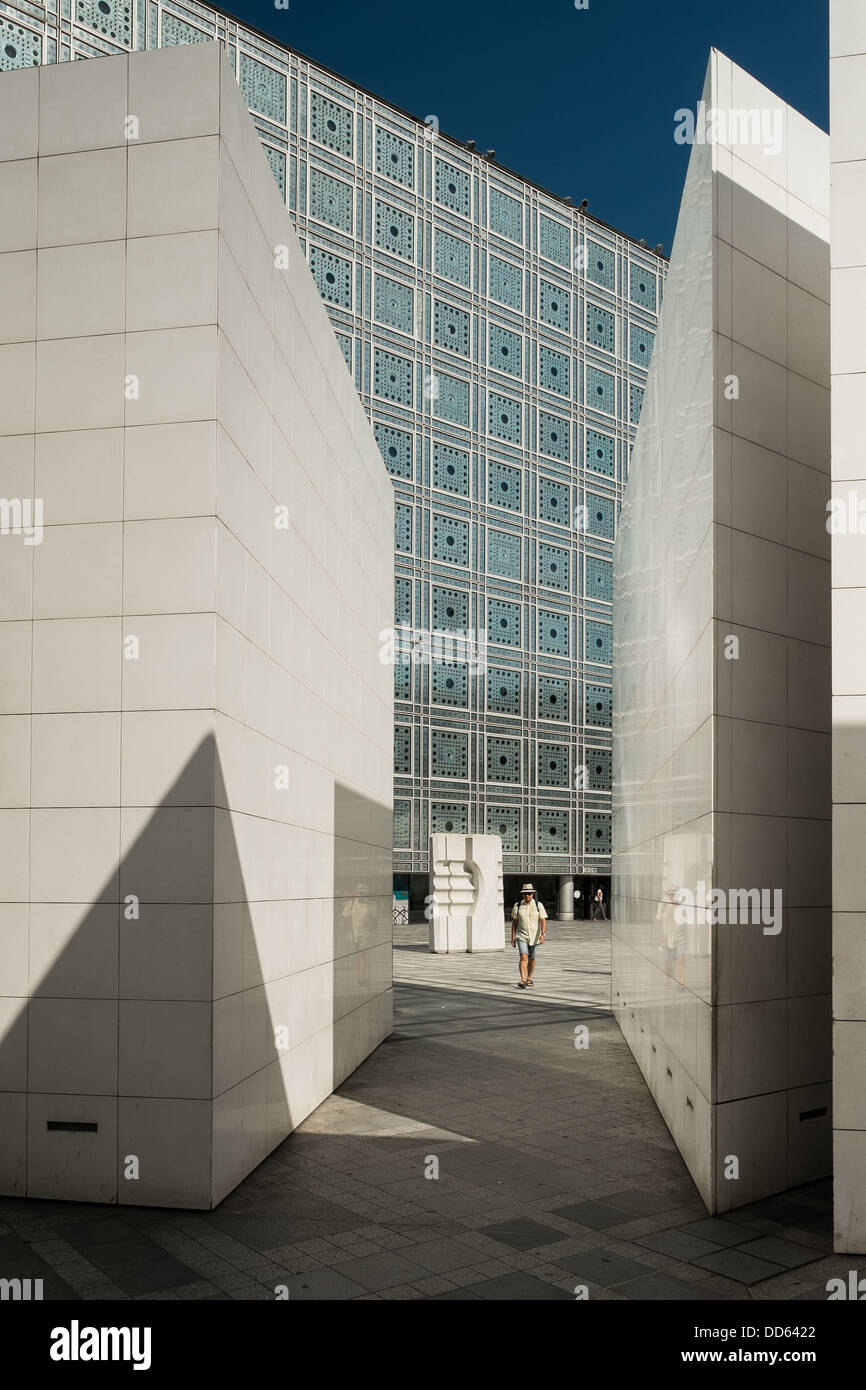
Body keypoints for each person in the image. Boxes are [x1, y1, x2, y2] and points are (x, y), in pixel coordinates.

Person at [510, 882, 547, 989]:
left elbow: (543, 920)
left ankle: (529, 978)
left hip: (534, 937)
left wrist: (543, 934)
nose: (527, 896)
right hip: (522, 936)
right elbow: (515, 923)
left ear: (533, 894)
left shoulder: (538, 905)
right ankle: (522, 979)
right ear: (523, 894)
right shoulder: (518, 906)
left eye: (529, 893)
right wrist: (512, 936)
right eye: (525, 894)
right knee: (523, 956)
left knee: (532, 958)